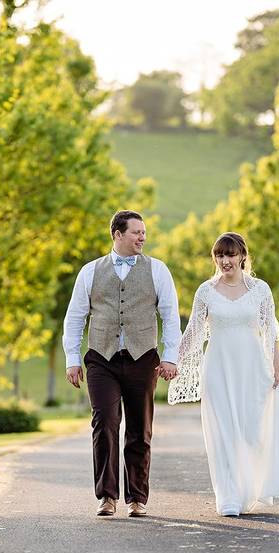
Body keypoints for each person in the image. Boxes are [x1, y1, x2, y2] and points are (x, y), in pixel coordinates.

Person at [167, 232, 279, 516]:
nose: (225, 261)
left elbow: (271, 331)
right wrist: (170, 359)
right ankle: (227, 497)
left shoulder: (260, 289)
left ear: (242, 256)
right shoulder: (205, 291)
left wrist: (277, 366)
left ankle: (249, 489)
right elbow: (192, 333)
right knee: (224, 432)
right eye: (219, 255)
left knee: (252, 433)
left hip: (253, 369)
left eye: (230, 255)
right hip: (217, 369)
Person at [63, 210, 182, 517]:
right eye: (136, 232)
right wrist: (72, 359)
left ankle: (137, 498)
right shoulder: (89, 272)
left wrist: (170, 356)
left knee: (140, 430)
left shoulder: (158, 270)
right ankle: (106, 496)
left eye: (144, 232)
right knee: (104, 423)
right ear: (117, 234)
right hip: (101, 359)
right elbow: (75, 318)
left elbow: (170, 316)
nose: (143, 237)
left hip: (143, 358)